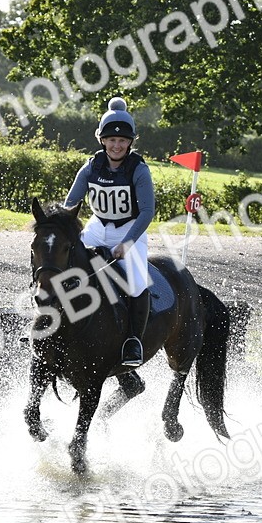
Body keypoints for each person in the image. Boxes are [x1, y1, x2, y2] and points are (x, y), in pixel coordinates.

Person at [62, 97, 155, 367]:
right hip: (97, 228)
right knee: (60, 261)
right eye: (111, 140)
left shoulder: (139, 170)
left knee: (137, 282)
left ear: (131, 142)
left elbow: (147, 212)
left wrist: (127, 243)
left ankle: (133, 341)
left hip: (130, 230)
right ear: (101, 140)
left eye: (123, 141)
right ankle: (46, 321)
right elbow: (70, 206)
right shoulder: (91, 167)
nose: (117, 145)